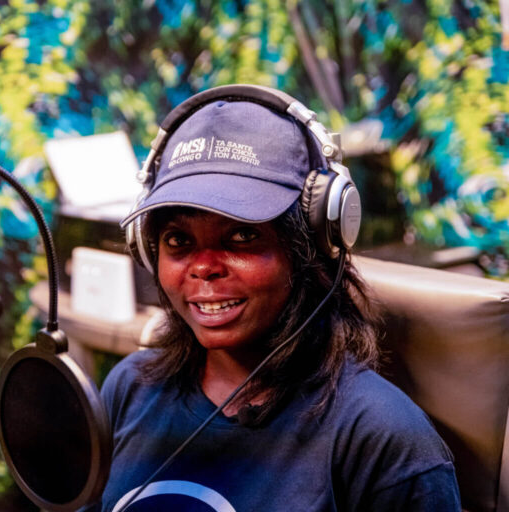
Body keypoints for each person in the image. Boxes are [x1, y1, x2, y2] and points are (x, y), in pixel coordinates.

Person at [93, 85, 461, 511]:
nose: (203, 266)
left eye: (242, 235)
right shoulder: (129, 388)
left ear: (313, 245)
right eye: (178, 240)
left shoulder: (383, 437)